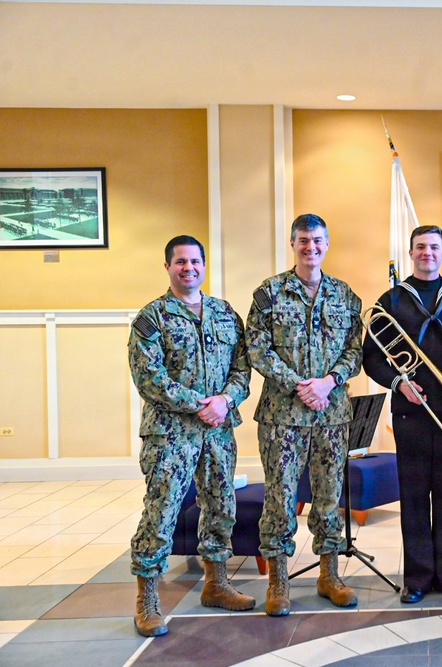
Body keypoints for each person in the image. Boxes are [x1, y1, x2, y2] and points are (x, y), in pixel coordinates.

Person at [128, 235, 255, 638]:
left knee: (221, 507)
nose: (189, 268)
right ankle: (148, 598)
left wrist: (226, 400)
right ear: (167, 267)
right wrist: (200, 402)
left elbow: (243, 367)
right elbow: (149, 378)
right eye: (180, 262)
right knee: (161, 512)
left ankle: (216, 583)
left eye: (195, 261)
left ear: (204, 265)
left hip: (218, 431)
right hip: (170, 435)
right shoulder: (153, 318)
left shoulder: (224, 314)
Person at [362, 225, 442, 604]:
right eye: (420, 247)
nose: (427, 253)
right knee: (415, 496)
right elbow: (372, 358)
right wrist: (399, 383)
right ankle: (416, 578)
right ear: (411, 252)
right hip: (410, 411)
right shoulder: (392, 300)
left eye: (434, 247)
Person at [245, 213, 363, 616]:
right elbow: (256, 348)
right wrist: (301, 385)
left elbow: (355, 350)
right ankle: (278, 583)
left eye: (317, 241)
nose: (310, 247)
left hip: (332, 415)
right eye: (303, 241)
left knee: (330, 498)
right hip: (282, 417)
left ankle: (329, 575)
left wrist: (328, 382)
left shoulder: (344, 295)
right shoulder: (270, 293)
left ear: (327, 244)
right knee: (280, 498)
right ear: (292, 245)